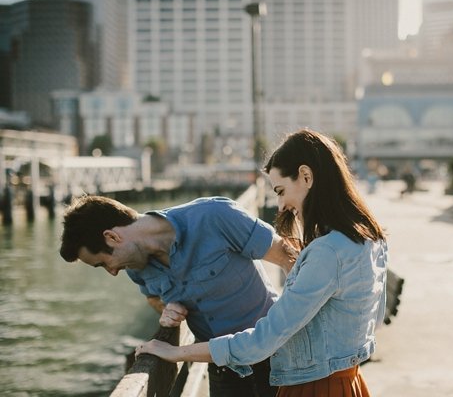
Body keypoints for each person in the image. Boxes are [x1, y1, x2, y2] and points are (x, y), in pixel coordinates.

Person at [136, 128, 388, 397]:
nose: (279, 205)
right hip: (349, 383)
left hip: (314, 388)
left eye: (280, 191)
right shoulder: (371, 238)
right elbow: (377, 316)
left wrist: (176, 353)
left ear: (306, 176)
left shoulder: (327, 252)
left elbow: (262, 341)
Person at [59, 194, 297, 397]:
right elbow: (153, 298)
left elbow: (289, 257)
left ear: (112, 237)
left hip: (279, 358)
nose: (112, 273)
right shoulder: (136, 269)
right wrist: (166, 308)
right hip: (222, 371)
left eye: (103, 263)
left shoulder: (214, 216)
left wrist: (297, 324)